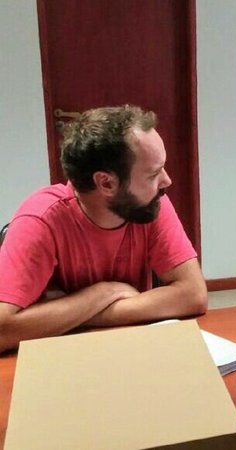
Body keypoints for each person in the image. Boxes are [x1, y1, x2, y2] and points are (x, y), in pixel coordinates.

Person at [0, 105, 207, 352]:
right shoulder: (40, 218)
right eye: (152, 175)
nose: (166, 180)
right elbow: (2, 329)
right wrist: (104, 293)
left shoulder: (152, 204)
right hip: (62, 354)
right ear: (106, 183)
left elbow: (193, 295)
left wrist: (74, 314)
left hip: (130, 347)